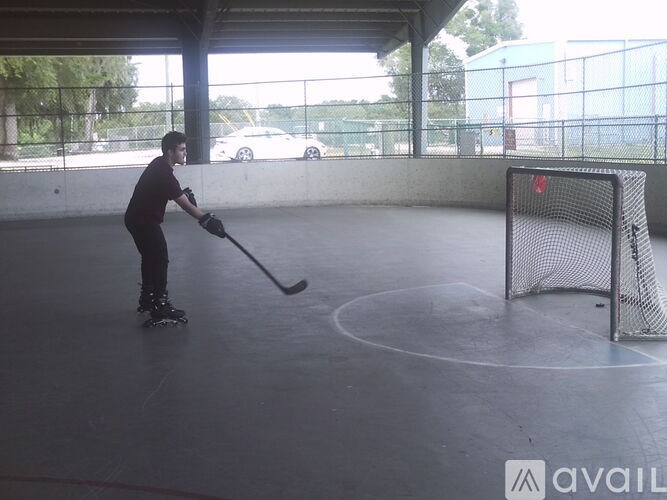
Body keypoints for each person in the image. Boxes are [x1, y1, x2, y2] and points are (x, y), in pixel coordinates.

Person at [124, 131, 225, 325]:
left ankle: (147, 298)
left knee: (150, 257)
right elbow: (185, 205)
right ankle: (160, 304)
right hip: (144, 221)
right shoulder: (164, 174)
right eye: (181, 149)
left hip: (135, 218)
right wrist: (207, 220)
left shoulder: (159, 164)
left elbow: (173, 193)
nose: (185, 153)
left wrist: (184, 195)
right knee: (160, 257)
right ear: (170, 151)